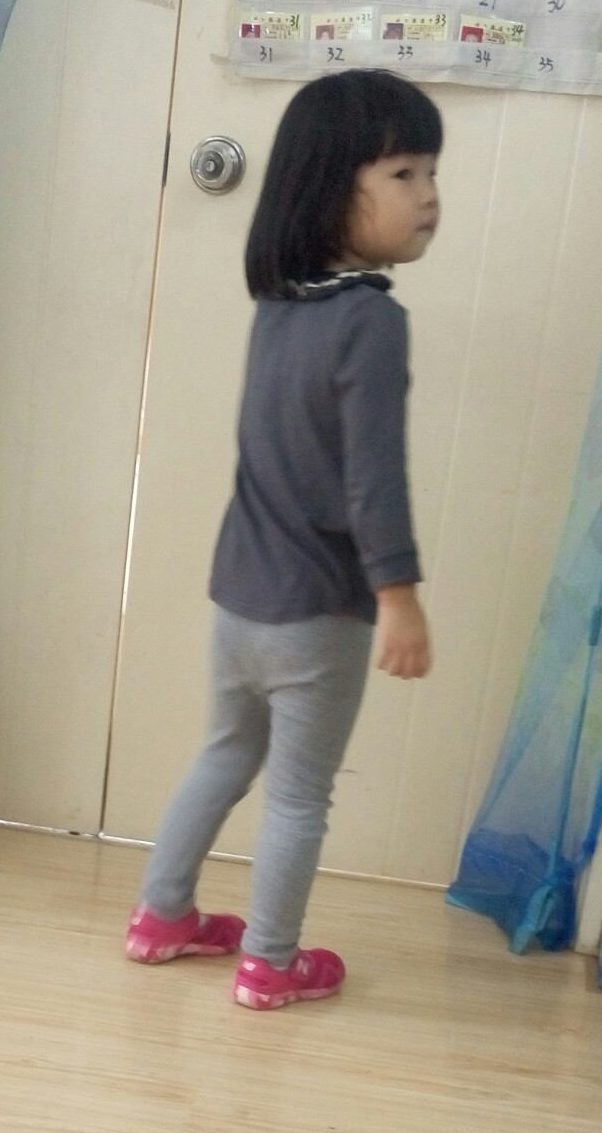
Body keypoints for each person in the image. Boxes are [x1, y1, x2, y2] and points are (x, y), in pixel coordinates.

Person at [126, 70, 441, 1011]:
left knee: (225, 754)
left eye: (431, 173)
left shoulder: (280, 306)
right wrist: (398, 597)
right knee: (301, 795)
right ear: (332, 189)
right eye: (403, 173)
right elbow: (372, 476)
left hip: (241, 597)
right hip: (317, 610)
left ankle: (162, 917)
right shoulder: (370, 321)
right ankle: (270, 962)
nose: (428, 195)